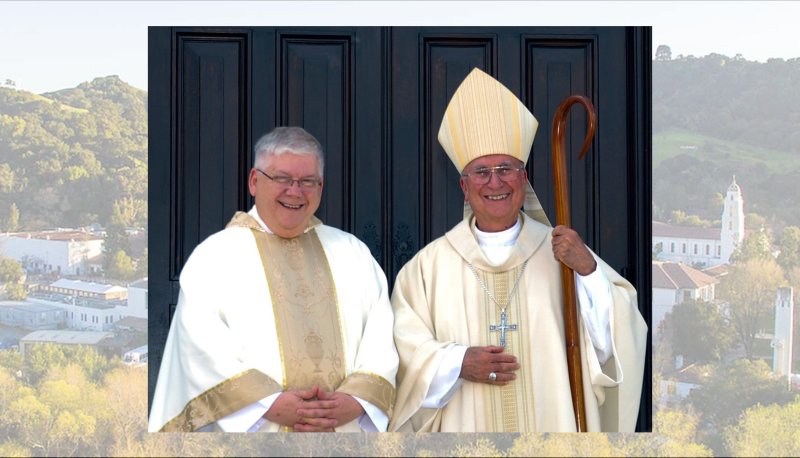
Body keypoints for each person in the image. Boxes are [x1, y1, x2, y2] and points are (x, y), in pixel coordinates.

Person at [389, 68, 647, 432]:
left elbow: (619, 339)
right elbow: (403, 353)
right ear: (464, 187)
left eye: (506, 168)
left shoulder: (564, 253)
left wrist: (588, 272)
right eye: (481, 172)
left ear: (524, 180)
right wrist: (458, 362)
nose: (495, 182)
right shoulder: (427, 269)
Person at [148, 126, 398, 432]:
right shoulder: (214, 257)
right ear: (254, 181)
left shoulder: (352, 252)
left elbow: (381, 337)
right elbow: (199, 348)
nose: (295, 191)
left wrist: (356, 401)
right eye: (282, 179)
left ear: (321, 187)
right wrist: (268, 404)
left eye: (308, 181)